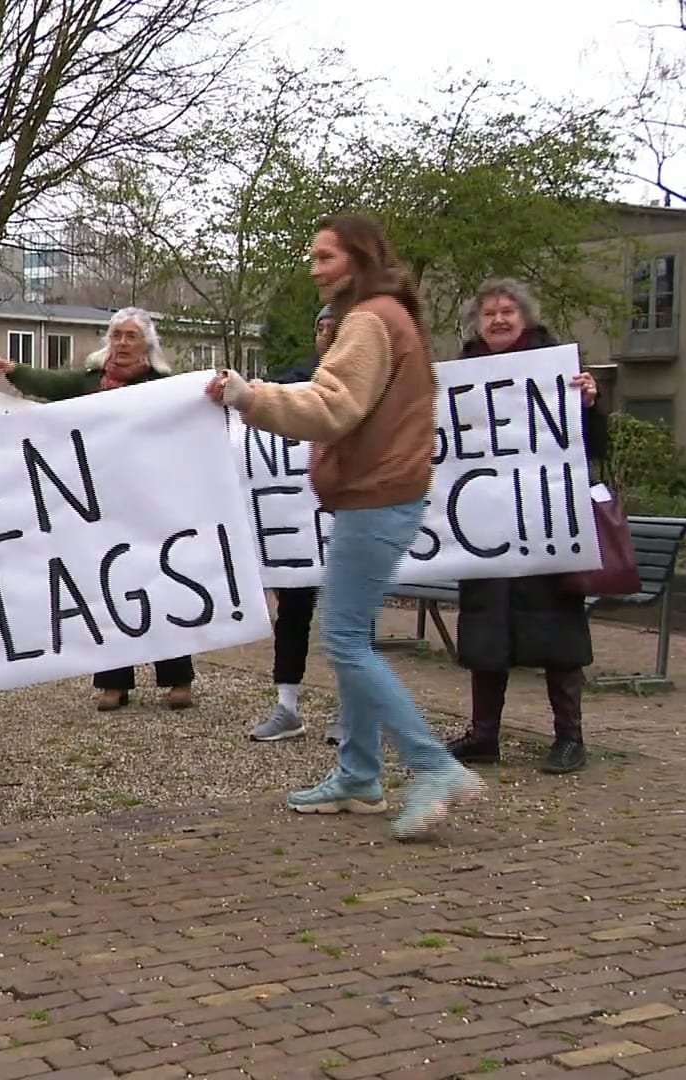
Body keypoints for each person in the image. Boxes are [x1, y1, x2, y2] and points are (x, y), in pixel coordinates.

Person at [208, 214, 484, 840]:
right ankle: (359, 776)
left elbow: (332, 406)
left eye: (325, 256)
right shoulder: (391, 317)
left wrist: (249, 398)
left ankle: (432, 765)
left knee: (345, 644)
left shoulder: (368, 321)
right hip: (383, 496)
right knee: (353, 636)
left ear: (356, 261)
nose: (314, 268)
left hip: (376, 499)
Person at [0, 307, 195, 712]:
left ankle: (177, 677)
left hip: (150, 502)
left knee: (161, 584)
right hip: (98, 503)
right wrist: (14, 369)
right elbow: (52, 383)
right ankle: (114, 682)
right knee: (109, 587)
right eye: (117, 335)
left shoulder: (164, 387)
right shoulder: (88, 382)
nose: (123, 343)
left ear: (147, 344)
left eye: (131, 336)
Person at [442, 279, 605, 774]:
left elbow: (592, 447)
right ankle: (484, 735)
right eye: (488, 312)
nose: (498, 320)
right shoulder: (461, 375)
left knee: (556, 630)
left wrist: (591, 405)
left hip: (543, 522)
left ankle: (569, 737)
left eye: (507, 311)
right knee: (486, 632)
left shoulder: (558, 369)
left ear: (525, 317)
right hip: (486, 525)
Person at [250, 305, 334, 744]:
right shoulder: (295, 379)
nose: (328, 333)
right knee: (294, 614)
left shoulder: (380, 381)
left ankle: (353, 711)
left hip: (347, 518)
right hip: (298, 527)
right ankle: (287, 705)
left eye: (338, 326)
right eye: (321, 326)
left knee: (352, 621)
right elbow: (258, 406)